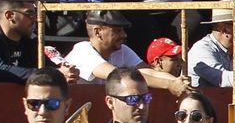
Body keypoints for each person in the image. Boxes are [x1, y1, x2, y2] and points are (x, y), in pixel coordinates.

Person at [59, 11, 191, 96]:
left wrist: (179, 82)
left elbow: (146, 71)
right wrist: (169, 85)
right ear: (98, 32)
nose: (124, 35)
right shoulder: (83, 51)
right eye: (117, 31)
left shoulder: (122, 50)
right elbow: (118, 76)